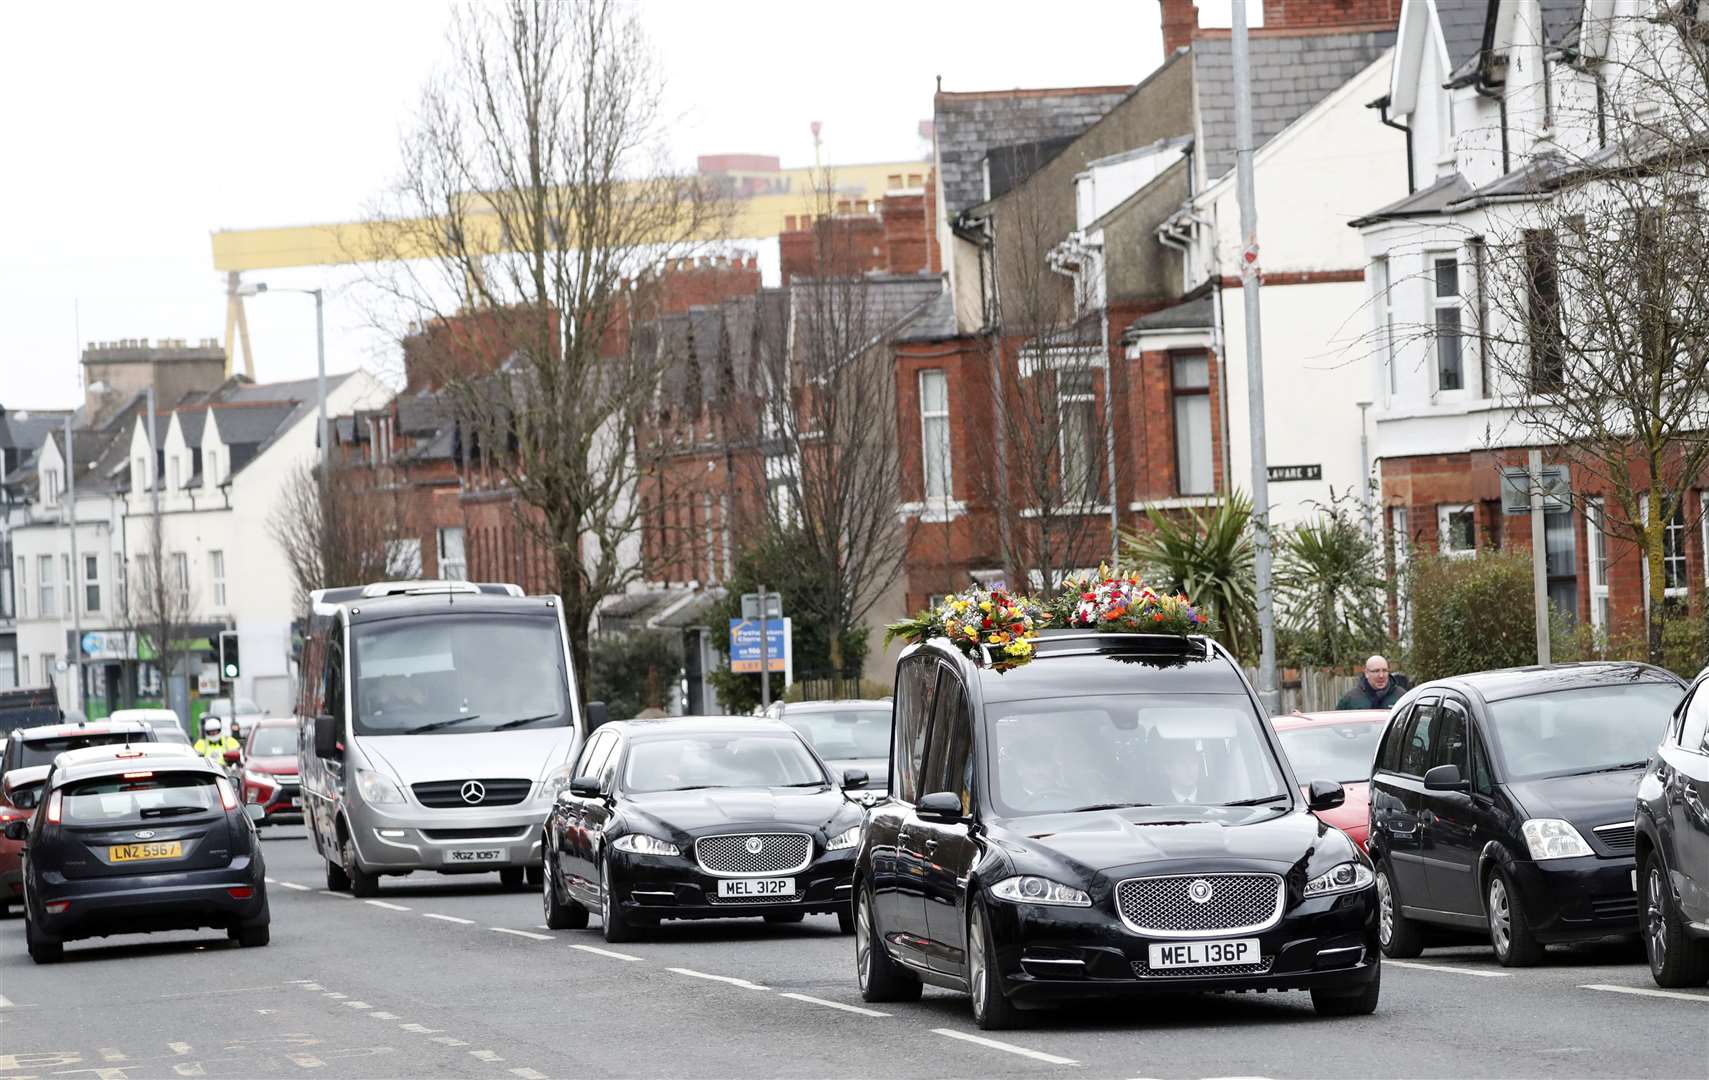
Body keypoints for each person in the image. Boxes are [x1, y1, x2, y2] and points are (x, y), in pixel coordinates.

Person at [1336, 655, 1412, 710]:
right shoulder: (1350, 699)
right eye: (1376, 671)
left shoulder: (1402, 697)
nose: (1381, 675)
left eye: (1385, 670)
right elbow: (1337, 725)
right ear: (1366, 673)